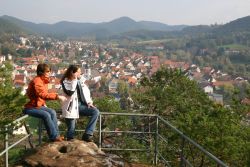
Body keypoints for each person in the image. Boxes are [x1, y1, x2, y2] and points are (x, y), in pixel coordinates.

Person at [23, 63, 66, 142]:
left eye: (50, 71)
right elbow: (42, 94)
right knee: (46, 115)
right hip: (30, 107)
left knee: (52, 112)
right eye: (48, 71)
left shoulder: (43, 81)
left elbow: (39, 96)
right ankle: (53, 137)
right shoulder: (37, 81)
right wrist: (58, 96)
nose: (49, 73)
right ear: (41, 72)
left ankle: (57, 135)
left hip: (37, 105)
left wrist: (43, 103)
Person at [61, 65, 99, 142]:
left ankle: (87, 134)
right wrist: (75, 80)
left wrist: (89, 102)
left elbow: (86, 92)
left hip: (81, 106)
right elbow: (70, 93)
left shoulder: (80, 81)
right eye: (78, 72)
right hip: (70, 107)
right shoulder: (65, 81)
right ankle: (69, 144)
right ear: (72, 72)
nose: (80, 73)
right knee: (71, 130)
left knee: (95, 112)